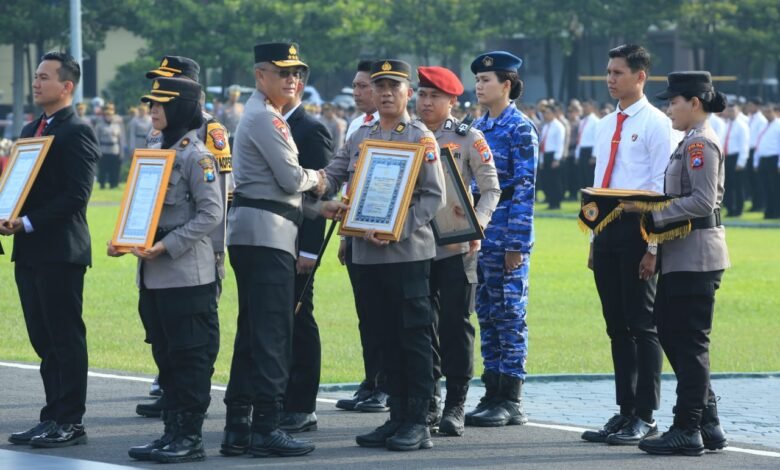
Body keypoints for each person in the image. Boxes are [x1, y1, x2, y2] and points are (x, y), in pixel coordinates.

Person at [219, 42, 340, 458]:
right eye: (282, 72)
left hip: (261, 230)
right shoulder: (265, 118)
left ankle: (238, 424)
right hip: (266, 237)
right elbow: (290, 178)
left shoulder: (261, 115)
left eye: (297, 73)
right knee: (272, 332)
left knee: (253, 331)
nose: (292, 80)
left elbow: (275, 189)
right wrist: (320, 180)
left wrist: (319, 206)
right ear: (260, 76)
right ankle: (266, 425)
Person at [320, 59, 445, 451]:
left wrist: (397, 229)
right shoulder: (362, 135)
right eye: (380, 86)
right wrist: (312, 189)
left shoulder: (420, 138)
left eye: (394, 86)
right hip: (365, 254)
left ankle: (418, 420)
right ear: (371, 93)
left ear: (408, 92)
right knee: (381, 337)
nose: (387, 93)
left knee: (413, 337)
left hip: (405, 253)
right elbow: (334, 173)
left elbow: (434, 197)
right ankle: (396, 415)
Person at [109, 77, 221, 464]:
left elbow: (212, 213)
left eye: (162, 103)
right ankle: (171, 431)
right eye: (151, 103)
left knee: (190, 358)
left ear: (182, 107)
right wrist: (123, 239)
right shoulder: (153, 149)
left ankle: (189, 436)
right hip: (153, 275)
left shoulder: (197, 155)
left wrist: (166, 244)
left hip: (185, 274)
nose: (154, 109)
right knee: (166, 356)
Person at [621, 71, 730, 456]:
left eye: (673, 101)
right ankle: (708, 422)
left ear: (694, 102)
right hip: (684, 255)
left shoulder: (700, 145)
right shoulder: (690, 142)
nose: (669, 109)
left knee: (689, 342)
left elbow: (703, 202)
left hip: (697, 257)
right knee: (673, 334)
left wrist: (652, 213)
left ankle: (688, 427)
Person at [581, 44, 681, 446]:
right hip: (606, 227)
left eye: (618, 72)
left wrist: (653, 247)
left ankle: (646, 413)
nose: (610, 78)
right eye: (608, 71)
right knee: (616, 326)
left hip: (640, 228)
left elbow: (662, 187)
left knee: (642, 324)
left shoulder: (658, 123)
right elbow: (597, 186)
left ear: (640, 76)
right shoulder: (604, 125)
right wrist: (592, 237)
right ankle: (625, 410)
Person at [2, 51, 100, 448]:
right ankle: (51, 415)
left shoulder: (78, 131)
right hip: (29, 250)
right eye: (36, 76)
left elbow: (77, 195)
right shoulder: (31, 128)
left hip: (60, 250)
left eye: (45, 77)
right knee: (43, 339)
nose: (37, 82)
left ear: (67, 86)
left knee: (64, 337)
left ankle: (70, 420)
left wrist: (26, 221)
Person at [138, 55, 233, 415]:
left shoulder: (207, 137)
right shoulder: (160, 136)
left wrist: (214, 256)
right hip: (157, 262)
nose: (155, 103)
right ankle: (173, 402)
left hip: (195, 257)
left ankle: (188, 412)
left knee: (192, 342)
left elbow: (218, 202)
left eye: (165, 91)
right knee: (164, 337)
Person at [415, 65, 501, 436]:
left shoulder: (469, 138)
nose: (426, 102)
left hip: (456, 248)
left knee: (455, 326)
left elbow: (491, 189)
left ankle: (455, 404)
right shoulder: (407, 136)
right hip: (414, 248)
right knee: (420, 328)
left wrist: (477, 224)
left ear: (452, 101)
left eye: (434, 96)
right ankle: (427, 401)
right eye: (421, 94)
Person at [465, 51, 538, 428]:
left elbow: (525, 189)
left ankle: (510, 397)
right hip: (481, 230)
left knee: (510, 314)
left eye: (487, 80)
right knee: (488, 313)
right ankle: (491, 390)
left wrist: (517, 245)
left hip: (507, 227)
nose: (479, 86)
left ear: (506, 85)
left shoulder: (519, 128)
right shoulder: (477, 127)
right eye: (477, 80)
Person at [279, 73, 334, 434]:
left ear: (298, 85)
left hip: (298, 241)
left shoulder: (310, 128)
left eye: (287, 77)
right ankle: (280, 397)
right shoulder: (271, 125)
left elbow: (320, 193)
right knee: (276, 323)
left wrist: (310, 250)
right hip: (270, 240)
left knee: (299, 320)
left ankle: (302, 404)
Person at [335, 59, 389, 414]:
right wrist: (344, 234)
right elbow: (347, 180)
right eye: (355, 86)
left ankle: (386, 384)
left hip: (383, 232)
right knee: (366, 311)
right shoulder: (357, 125)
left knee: (386, 312)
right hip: (356, 228)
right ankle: (370, 380)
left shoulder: (397, 128)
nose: (357, 93)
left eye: (364, 86)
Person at [722, 103, 750, 217]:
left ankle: (738, 209)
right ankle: (730, 208)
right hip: (727, 157)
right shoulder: (727, 124)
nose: (730, 113)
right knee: (727, 185)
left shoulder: (742, 125)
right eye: (729, 111)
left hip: (736, 158)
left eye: (733, 111)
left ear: (738, 111)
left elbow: (744, 145)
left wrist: (741, 162)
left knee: (737, 186)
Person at [753, 103, 780, 219]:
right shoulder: (764, 125)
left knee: (775, 188)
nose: (767, 114)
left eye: (769, 111)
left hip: (773, 159)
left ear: (774, 111)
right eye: (765, 112)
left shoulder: (778, 125)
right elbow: (759, 144)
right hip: (763, 160)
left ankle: (776, 212)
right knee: (766, 187)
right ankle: (769, 211)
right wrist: (756, 161)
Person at [539, 102, 566, 210]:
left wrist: (556, 159)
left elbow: (560, 144)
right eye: (544, 113)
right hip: (545, 155)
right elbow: (542, 144)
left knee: (555, 180)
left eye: (548, 113)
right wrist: (541, 160)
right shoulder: (546, 126)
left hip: (553, 155)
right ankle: (550, 201)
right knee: (546, 180)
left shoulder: (558, 126)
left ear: (554, 113)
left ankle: (557, 202)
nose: (545, 115)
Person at [94, 102, 125, 189]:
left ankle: (113, 184)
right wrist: (97, 151)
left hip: (114, 149)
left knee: (114, 169)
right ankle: (102, 184)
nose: (108, 116)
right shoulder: (99, 125)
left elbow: (120, 139)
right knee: (103, 169)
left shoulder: (117, 125)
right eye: (107, 115)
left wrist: (121, 152)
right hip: (103, 149)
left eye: (110, 115)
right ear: (104, 115)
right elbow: (96, 139)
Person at [745, 97, 766, 212]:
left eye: (751, 105)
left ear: (757, 106)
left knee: (756, 178)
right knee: (750, 179)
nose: (748, 107)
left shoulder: (761, 120)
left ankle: (759, 203)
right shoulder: (749, 118)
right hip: (748, 150)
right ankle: (755, 202)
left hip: (755, 150)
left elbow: (759, 138)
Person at [576, 100, 601, 191]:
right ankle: (584, 199)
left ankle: (592, 199)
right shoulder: (582, 121)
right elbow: (580, 139)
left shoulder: (596, 121)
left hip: (590, 151)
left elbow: (597, 140)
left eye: (586, 106)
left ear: (592, 107)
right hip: (583, 150)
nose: (584, 108)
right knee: (582, 177)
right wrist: (577, 154)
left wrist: (594, 156)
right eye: (583, 106)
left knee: (590, 177)